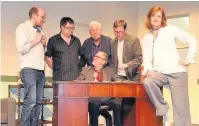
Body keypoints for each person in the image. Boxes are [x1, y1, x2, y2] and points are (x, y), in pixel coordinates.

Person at [142, 6, 196, 126]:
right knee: (148, 82)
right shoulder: (146, 38)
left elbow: (191, 40)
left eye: (158, 16)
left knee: (181, 109)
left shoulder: (170, 30)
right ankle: (163, 108)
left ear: (162, 19)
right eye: (153, 15)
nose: (155, 18)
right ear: (149, 18)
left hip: (177, 73)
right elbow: (146, 57)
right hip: (160, 73)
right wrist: (148, 69)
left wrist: (189, 59)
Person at [15, 6, 47, 126]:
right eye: (42, 17)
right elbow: (21, 48)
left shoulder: (40, 30)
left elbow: (41, 51)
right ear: (34, 16)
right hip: (29, 69)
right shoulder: (22, 28)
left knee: (38, 102)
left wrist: (44, 44)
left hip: (40, 70)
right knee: (31, 100)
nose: (44, 19)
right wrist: (36, 40)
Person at [76, 51, 122, 126]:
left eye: (97, 57)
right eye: (95, 56)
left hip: (107, 98)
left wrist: (115, 82)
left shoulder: (109, 70)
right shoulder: (86, 70)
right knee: (95, 104)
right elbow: (77, 82)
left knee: (117, 103)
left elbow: (118, 80)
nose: (94, 57)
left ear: (104, 61)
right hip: (92, 98)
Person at [111, 20, 143, 124]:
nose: (118, 34)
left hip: (131, 77)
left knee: (127, 107)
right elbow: (112, 62)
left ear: (125, 30)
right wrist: (114, 75)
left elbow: (139, 59)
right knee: (117, 106)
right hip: (118, 77)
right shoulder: (113, 42)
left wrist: (127, 65)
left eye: (120, 31)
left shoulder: (133, 40)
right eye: (116, 31)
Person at [45, 17, 82, 81]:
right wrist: (56, 68)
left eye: (72, 28)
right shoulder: (53, 40)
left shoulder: (76, 40)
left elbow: (81, 56)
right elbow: (47, 57)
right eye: (68, 28)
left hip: (76, 78)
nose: (71, 30)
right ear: (62, 28)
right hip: (60, 78)